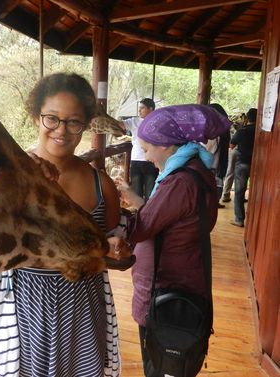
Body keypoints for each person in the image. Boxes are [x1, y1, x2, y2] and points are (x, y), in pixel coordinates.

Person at [0, 72, 124, 377]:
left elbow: (112, 242)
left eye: (73, 122)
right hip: (26, 305)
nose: (62, 130)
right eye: (52, 119)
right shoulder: (8, 177)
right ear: (36, 118)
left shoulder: (101, 184)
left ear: (85, 125)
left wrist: (116, 248)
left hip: (83, 304)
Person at [107, 104, 230, 377]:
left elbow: (140, 228)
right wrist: (135, 198)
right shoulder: (193, 170)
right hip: (180, 284)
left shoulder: (179, 181)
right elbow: (165, 218)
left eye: (147, 149)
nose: (147, 156)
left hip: (166, 293)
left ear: (165, 146)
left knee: (161, 364)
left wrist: (104, 213)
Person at [117, 98, 159, 201]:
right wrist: (104, 115)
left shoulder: (158, 121)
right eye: (139, 108)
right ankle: (138, 215)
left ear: (151, 109)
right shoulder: (134, 121)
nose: (139, 110)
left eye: (142, 108)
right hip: (136, 160)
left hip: (152, 161)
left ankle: (150, 215)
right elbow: (119, 124)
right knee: (136, 192)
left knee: (151, 193)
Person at [230, 108, 257, 227]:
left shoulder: (242, 131)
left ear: (247, 118)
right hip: (258, 165)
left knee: (239, 192)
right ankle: (254, 220)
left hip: (242, 164)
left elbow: (232, 145)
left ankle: (239, 219)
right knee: (257, 193)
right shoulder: (262, 132)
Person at [206, 103, 231, 208]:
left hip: (209, 169)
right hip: (217, 169)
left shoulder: (213, 134)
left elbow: (207, 151)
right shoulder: (223, 131)